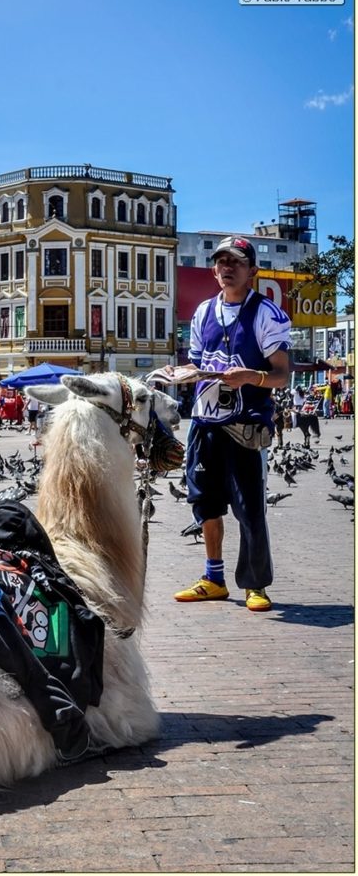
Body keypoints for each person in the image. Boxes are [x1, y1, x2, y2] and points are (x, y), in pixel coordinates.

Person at [170, 236, 291, 613]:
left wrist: (252, 377)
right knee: (205, 503)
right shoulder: (204, 312)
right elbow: (196, 363)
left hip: (245, 426)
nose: (227, 268)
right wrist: (177, 375)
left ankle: (256, 584)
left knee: (250, 507)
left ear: (252, 270)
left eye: (236, 262)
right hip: (204, 422)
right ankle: (214, 578)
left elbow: (282, 375)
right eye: (221, 262)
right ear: (213, 269)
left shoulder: (265, 314)